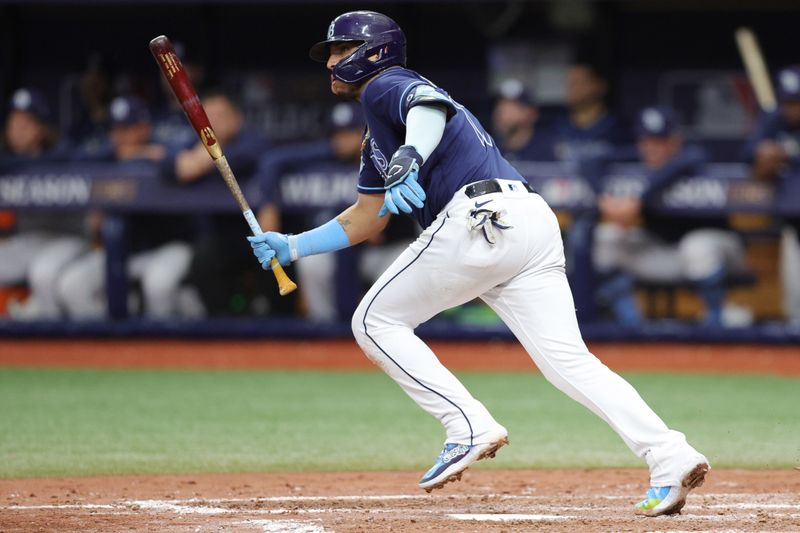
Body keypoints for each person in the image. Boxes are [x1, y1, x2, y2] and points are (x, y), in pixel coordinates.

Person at [247, 11, 709, 516]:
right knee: (569, 363)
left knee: (373, 321)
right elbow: (366, 217)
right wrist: (293, 246)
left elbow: (428, 108)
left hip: (479, 219)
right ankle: (670, 455)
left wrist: (410, 157)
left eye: (339, 51)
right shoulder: (375, 134)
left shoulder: (387, 86)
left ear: (372, 52)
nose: (331, 63)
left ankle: (466, 424)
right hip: (529, 222)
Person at [255, 101, 417, 322]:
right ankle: (326, 331)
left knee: (404, 261)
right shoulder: (324, 156)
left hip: (384, 248)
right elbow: (272, 160)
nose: (343, 141)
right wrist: (269, 204)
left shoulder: (387, 155)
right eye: (338, 134)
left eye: (351, 133)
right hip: (339, 245)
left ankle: (390, 326)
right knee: (312, 263)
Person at [593, 106, 748, 327]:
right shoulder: (635, 162)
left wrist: (638, 200)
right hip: (667, 253)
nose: (652, 149)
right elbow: (591, 159)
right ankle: (632, 326)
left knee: (697, 246)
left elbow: (693, 157)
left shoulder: (691, 159)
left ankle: (715, 323)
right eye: (646, 141)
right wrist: (604, 199)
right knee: (606, 237)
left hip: (722, 252)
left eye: (660, 141)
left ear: (675, 140)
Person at [59, 96, 194, 319]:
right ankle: (109, 348)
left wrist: (145, 154)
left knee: (158, 284)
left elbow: (181, 161)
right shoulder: (109, 154)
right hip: (125, 251)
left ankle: (163, 349)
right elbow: (70, 160)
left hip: (170, 245)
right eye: (116, 129)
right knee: (72, 285)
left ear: (145, 127)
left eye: (129, 129)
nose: (121, 137)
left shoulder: (165, 148)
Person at [0, 88, 86, 320]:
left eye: (25, 123)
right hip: (30, 239)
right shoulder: (8, 164)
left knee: (43, 273)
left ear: (42, 128)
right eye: (13, 124)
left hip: (69, 238)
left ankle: (55, 348)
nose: (17, 131)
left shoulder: (66, 156)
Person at [743, 65, 800, 322]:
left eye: (798, 102)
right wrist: (764, 158)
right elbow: (747, 156)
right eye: (788, 102)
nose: (793, 108)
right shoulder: (774, 118)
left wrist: (787, 156)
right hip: (794, 224)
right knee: (795, 303)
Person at [553, 62, 631, 183]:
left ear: (599, 86)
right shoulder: (557, 127)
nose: (572, 88)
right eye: (569, 83)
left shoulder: (619, 129)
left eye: (579, 82)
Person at [491, 79, 557, 161]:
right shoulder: (490, 150)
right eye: (500, 106)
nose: (501, 113)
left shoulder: (549, 150)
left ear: (532, 114)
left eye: (511, 108)